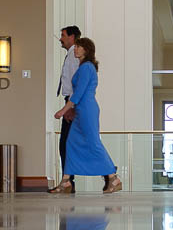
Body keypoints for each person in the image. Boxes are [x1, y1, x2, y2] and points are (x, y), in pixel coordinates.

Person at [51, 38, 122, 193]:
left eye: (78, 46)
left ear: (86, 50)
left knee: (93, 142)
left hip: (87, 110)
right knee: (71, 143)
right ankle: (66, 182)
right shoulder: (83, 67)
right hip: (81, 111)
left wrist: (63, 110)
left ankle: (113, 178)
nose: (75, 49)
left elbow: (78, 93)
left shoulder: (87, 68)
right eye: (75, 46)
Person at [51, 25, 81, 193]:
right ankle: (67, 181)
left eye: (63, 35)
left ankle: (68, 181)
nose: (60, 39)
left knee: (66, 144)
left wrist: (70, 106)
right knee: (67, 144)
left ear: (72, 37)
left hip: (72, 103)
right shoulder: (71, 55)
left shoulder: (74, 56)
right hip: (70, 101)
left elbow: (74, 82)